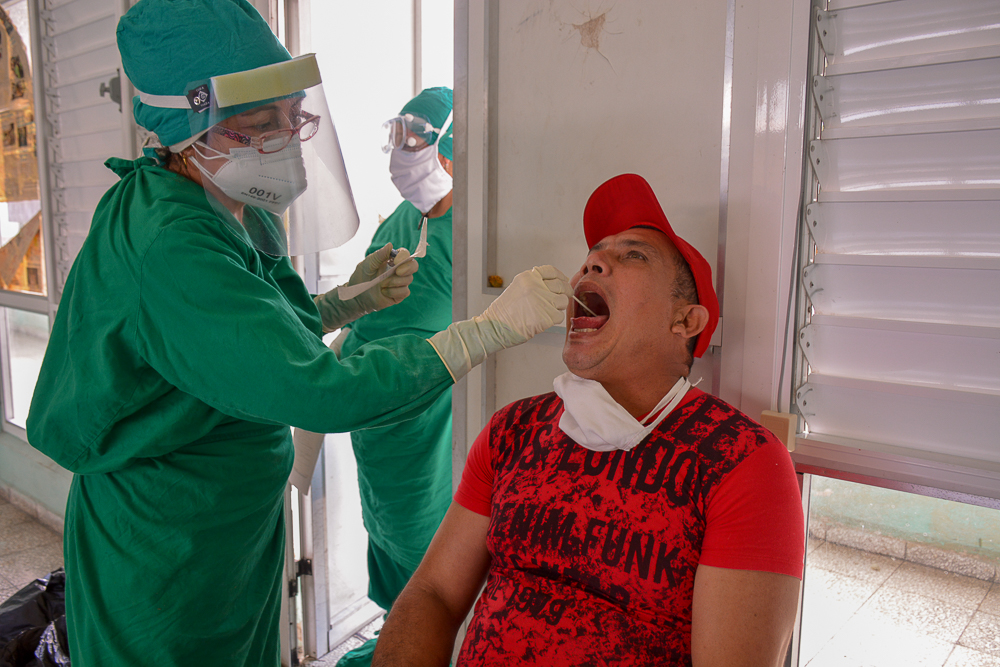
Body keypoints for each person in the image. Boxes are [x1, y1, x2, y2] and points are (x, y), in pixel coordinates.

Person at [24, 2, 570, 666]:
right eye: (261, 124)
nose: (288, 135)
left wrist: (342, 303)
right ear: (191, 126)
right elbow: (320, 392)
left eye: (291, 114)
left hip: (223, 535)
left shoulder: (217, 205)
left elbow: (237, 340)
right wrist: (484, 332)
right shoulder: (171, 244)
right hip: (168, 551)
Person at [372, 173, 806, 667]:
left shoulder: (741, 463)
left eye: (633, 255)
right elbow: (433, 594)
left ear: (685, 321)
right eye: (593, 256)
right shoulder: (514, 430)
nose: (590, 264)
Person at [334, 88, 456, 667]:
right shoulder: (402, 221)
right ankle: (395, 637)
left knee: (428, 548)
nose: (401, 150)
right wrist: (339, 327)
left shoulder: (477, 230)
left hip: (429, 424)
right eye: (397, 133)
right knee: (382, 530)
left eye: (417, 136)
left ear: (453, 146)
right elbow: (364, 307)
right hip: (374, 421)